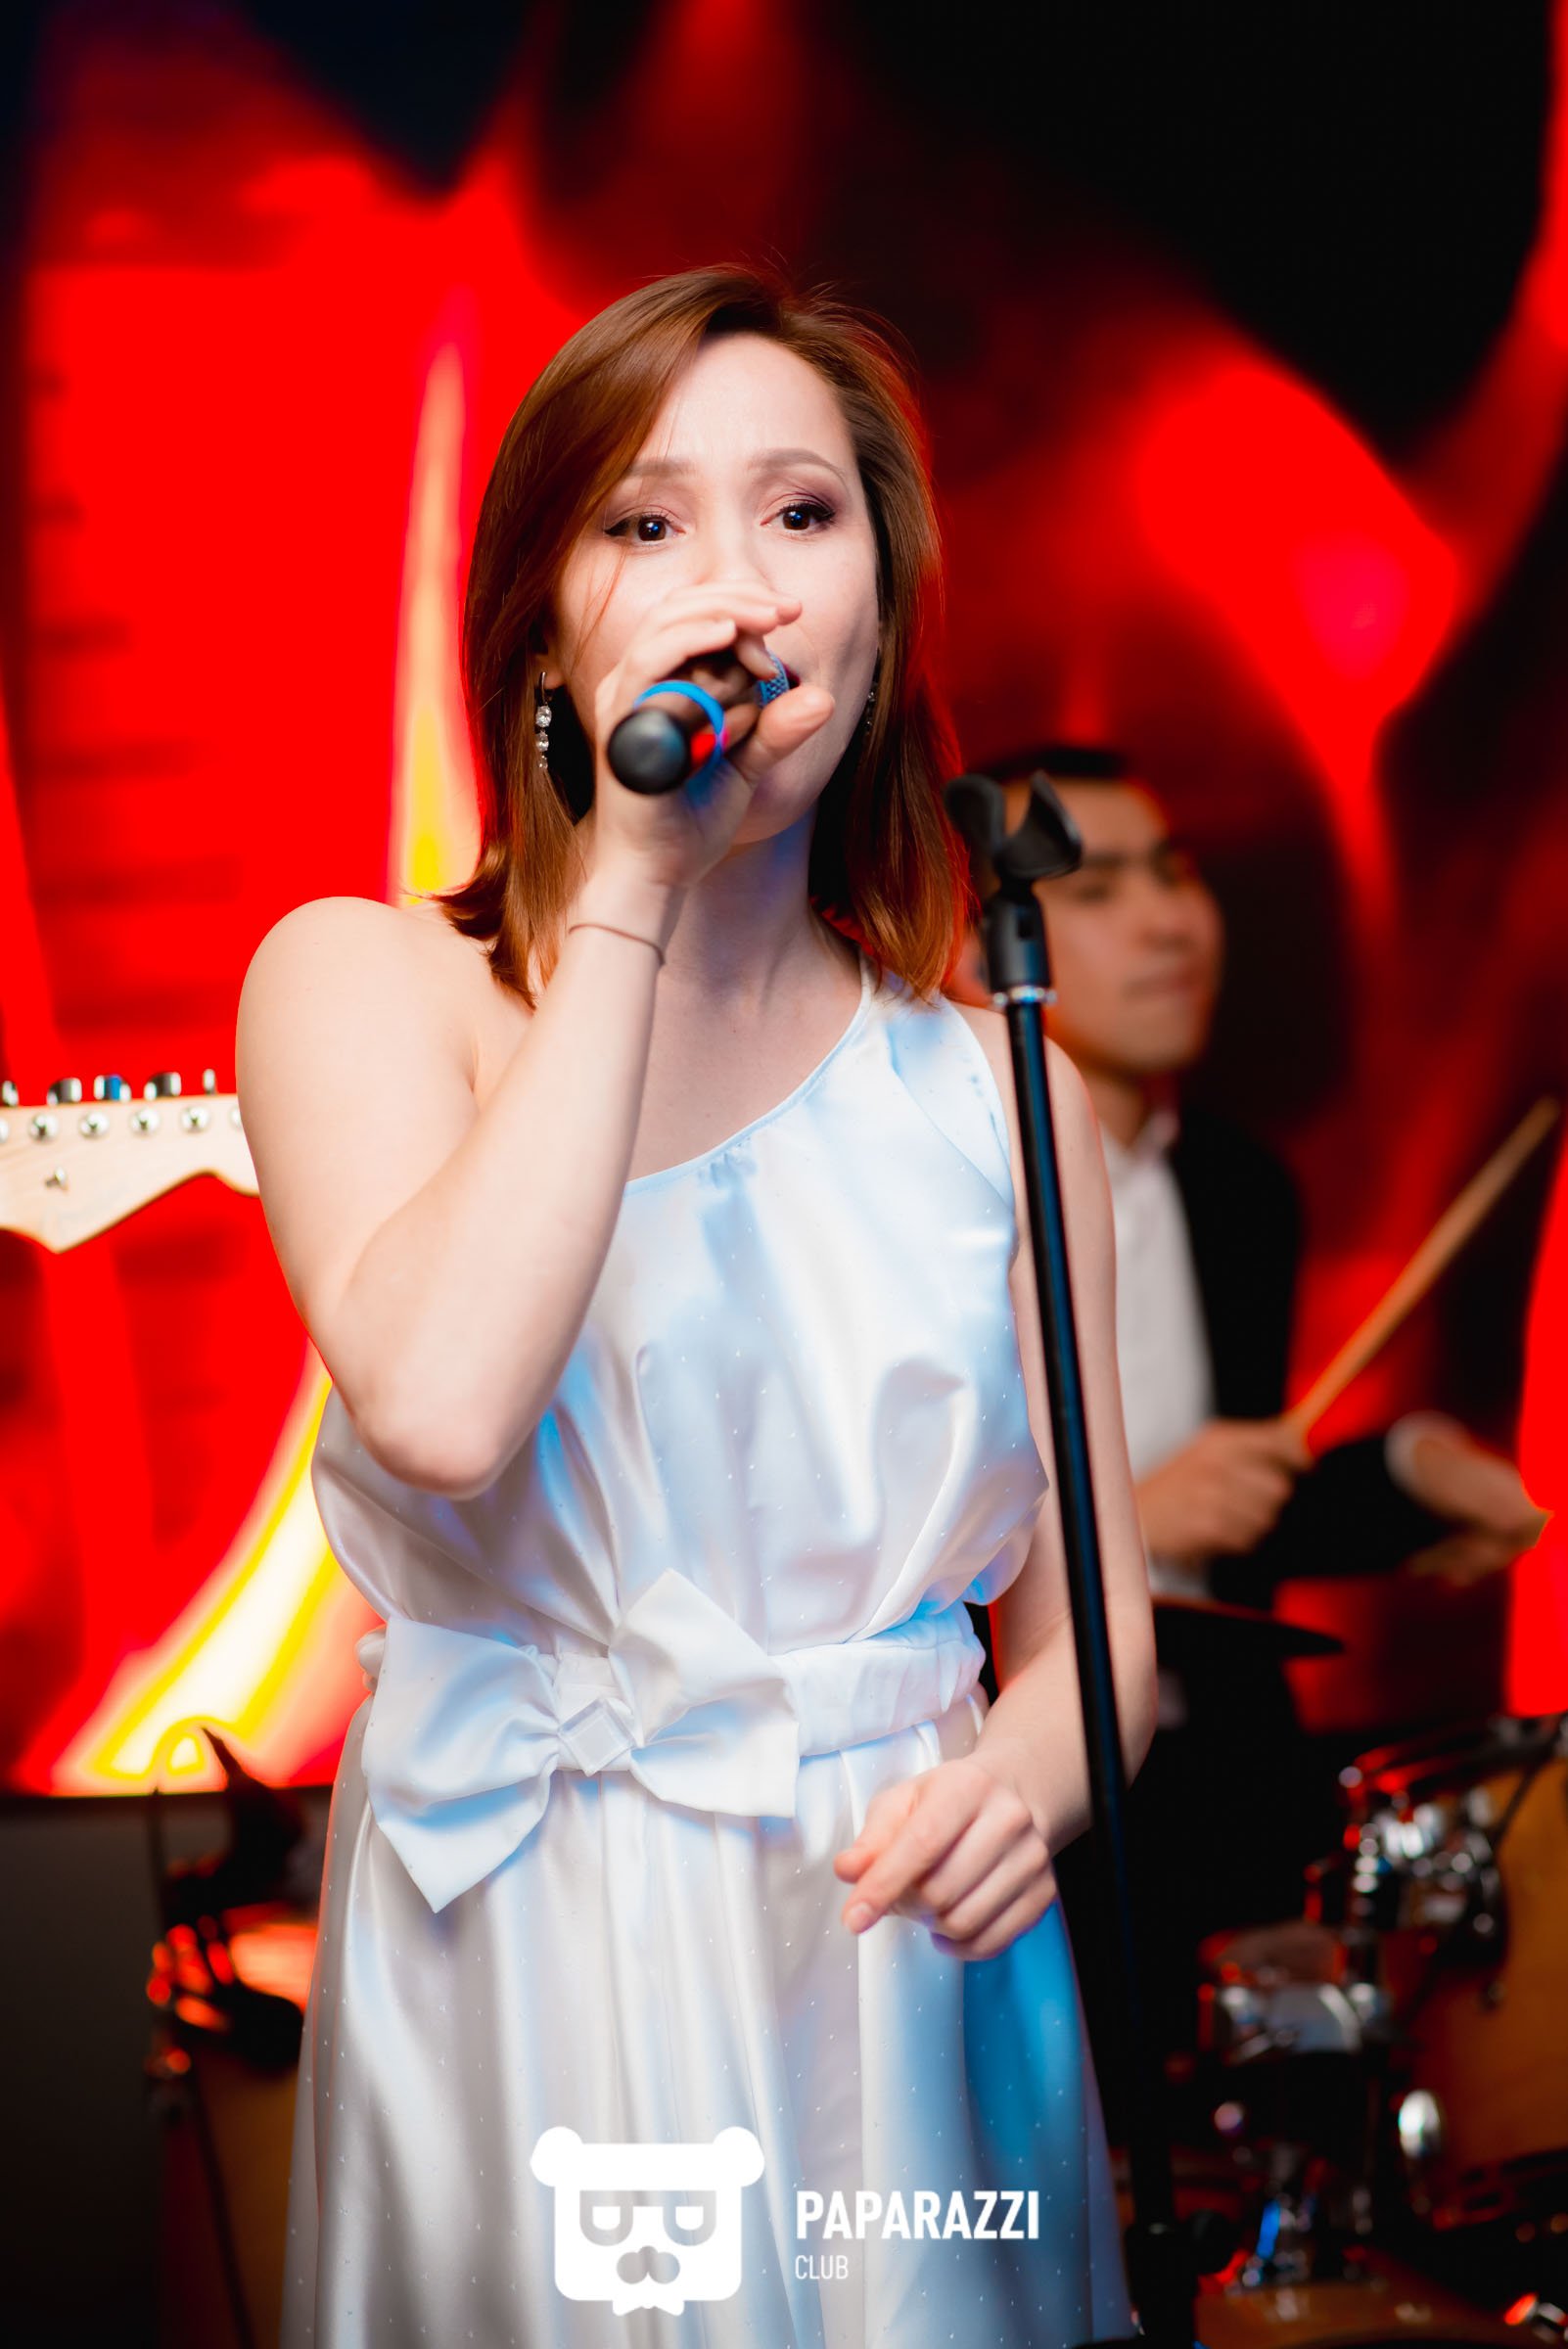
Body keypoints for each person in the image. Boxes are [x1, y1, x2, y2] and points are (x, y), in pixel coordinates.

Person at [238, 273, 1156, 2349]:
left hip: (897, 1950)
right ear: (540, 617)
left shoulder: (997, 1090)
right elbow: (445, 1403)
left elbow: (1093, 1631)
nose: (734, 584)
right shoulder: (362, 987)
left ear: (880, 607)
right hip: (531, 1942)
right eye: (645, 524)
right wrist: (633, 882)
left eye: (800, 515)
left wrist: (1022, 1780)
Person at [950, 742, 1547, 2126]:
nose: (1170, 920)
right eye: (1097, 888)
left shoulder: (1236, 1190)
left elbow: (1228, 1511)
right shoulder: (932, 1190)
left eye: (1173, 873)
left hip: (1209, 1786)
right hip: (990, 1798)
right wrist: (1116, 1527)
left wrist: (1404, 1476)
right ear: (971, 950)